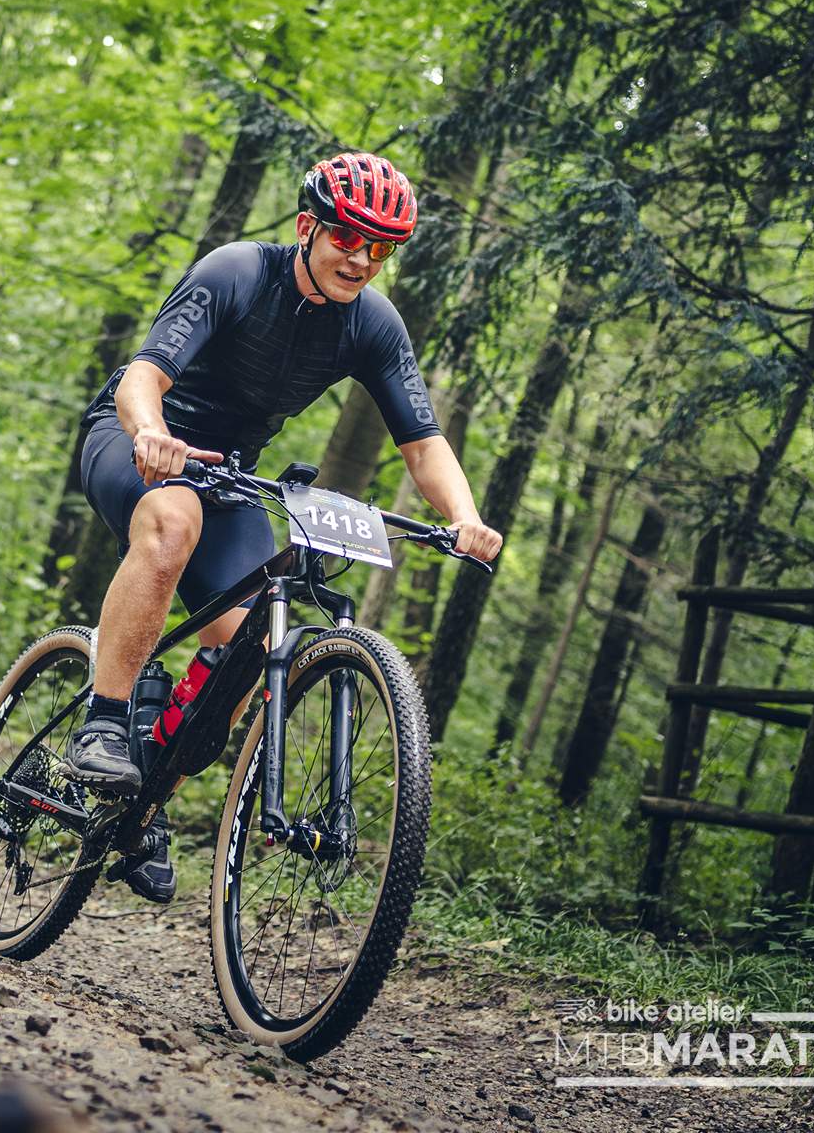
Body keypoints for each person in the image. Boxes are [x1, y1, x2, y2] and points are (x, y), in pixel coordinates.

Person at [67, 151, 504, 902]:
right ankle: (105, 722)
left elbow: (424, 444)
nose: (361, 260)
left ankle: (145, 805)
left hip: (232, 471)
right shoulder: (237, 271)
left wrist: (464, 518)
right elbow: (144, 376)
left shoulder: (373, 324)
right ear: (308, 228)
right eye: (348, 238)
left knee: (248, 644)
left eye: (380, 249)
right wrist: (151, 433)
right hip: (137, 438)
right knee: (173, 519)